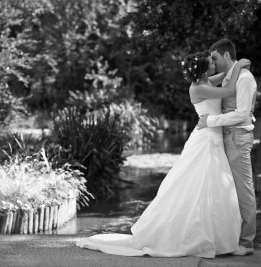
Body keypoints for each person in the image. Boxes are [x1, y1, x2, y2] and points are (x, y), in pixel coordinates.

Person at [76, 51, 250, 258]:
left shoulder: (206, 81)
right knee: (198, 185)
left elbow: (222, 79)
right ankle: (201, 237)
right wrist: (239, 65)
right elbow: (229, 88)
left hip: (213, 138)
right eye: (211, 63)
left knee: (216, 187)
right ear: (204, 70)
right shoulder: (199, 88)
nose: (214, 64)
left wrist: (233, 68)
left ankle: (219, 239)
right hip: (205, 140)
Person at [197, 38, 257, 256]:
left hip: (238, 138)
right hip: (224, 137)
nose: (211, 62)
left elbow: (242, 113)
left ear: (225, 55)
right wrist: (241, 62)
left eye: (214, 58)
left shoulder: (244, 78)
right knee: (225, 191)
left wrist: (211, 121)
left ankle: (247, 242)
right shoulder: (229, 76)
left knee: (243, 191)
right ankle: (226, 236)